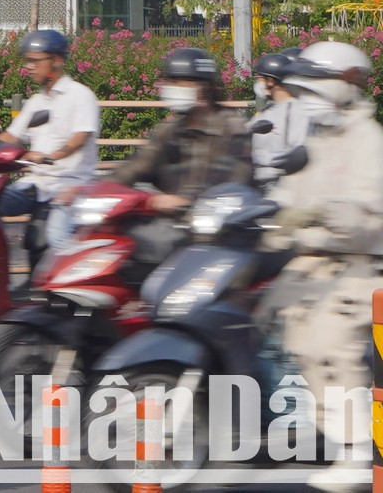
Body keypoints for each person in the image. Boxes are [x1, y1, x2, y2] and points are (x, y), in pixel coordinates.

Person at [258, 41, 383, 479]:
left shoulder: (368, 140)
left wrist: (326, 210)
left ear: (347, 82)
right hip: (308, 262)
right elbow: (290, 196)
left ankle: (356, 454)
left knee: (332, 348)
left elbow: (367, 216)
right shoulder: (318, 138)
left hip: (354, 265)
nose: (308, 97)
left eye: (316, 86)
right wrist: (271, 217)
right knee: (282, 332)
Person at [87, 47, 254, 280]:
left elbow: (232, 180)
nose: (174, 88)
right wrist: (98, 190)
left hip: (213, 234)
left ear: (203, 87)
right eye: (172, 81)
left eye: (183, 83)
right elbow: (138, 164)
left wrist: (187, 200)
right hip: (169, 226)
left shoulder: (231, 128)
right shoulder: (170, 129)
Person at [0, 29, 99, 253]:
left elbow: (79, 138)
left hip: (70, 186)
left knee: (56, 238)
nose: (29, 67)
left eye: (35, 61)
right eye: (27, 62)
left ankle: (68, 285)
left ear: (57, 61)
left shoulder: (80, 96)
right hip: (37, 183)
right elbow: (12, 136)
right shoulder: (36, 101)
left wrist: (51, 157)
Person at [249, 47, 306, 184]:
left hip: (279, 183)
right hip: (256, 181)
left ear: (271, 80)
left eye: (261, 78)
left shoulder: (296, 110)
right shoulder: (267, 109)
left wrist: (264, 159)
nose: (258, 83)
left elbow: (296, 149)